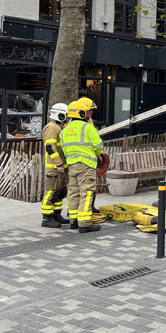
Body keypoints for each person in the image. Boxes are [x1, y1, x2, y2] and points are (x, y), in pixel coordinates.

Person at [59, 97, 103, 233]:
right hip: (86, 165)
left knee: (73, 192)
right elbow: (98, 146)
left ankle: (73, 221)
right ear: (82, 113)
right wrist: (96, 155)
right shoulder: (87, 127)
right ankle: (84, 223)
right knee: (87, 192)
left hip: (72, 165)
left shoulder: (64, 131)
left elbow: (63, 149)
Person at [40, 102, 70, 228]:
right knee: (51, 192)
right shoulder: (51, 128)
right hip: (54, 168)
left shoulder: (59, 127)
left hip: (61, 166)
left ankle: (56, 214)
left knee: (60, 191)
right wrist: (58, 163)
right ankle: (47, 218)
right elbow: (50, 148)